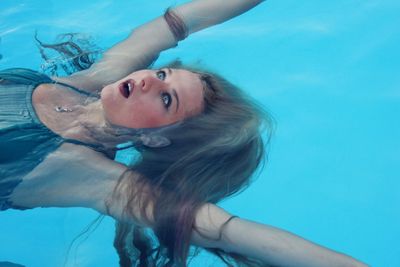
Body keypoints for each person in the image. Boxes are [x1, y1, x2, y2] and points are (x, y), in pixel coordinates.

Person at [0, 0, 368, 266]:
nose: (147, 80)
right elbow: (180, 22)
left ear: (157, 139)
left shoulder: (87, 174)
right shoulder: (93, 83)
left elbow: (230, 232)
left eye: (166, 100)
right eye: (162, 75)